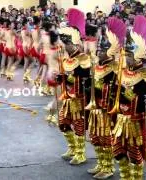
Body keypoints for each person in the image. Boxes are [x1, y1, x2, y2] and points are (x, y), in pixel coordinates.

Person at [111, 15, 146, 180]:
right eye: (125, 54)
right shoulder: (121, 72)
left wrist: (128, 93)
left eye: (128, 55)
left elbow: (143, 99)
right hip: (121, 118)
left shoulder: (145, 74)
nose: (125, 57)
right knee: (119, 151)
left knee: (135, 154)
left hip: (136, 121)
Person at [86, 19, 121, 179]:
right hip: (95, 109)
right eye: (98, 48)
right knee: (95, 138)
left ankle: (108, 168)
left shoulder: (115, 68)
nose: (98, 51)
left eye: (101, 49)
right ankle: (100, 163)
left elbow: (117, 91)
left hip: (106, 110)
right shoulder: (97, 64)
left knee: (106, 139)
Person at [58, 8, 89, 165]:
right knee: (63, 122)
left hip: (78, 98)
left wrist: (67, 77)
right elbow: (68, 77)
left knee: (78, 125)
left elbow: (82, 78)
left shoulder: (83, 58)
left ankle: (80, 153)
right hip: (68, 96)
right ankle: (72, 148)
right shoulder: (67, 57)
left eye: (67, 44)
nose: (65, 46)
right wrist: (61, 78)